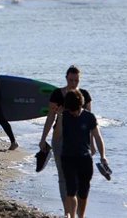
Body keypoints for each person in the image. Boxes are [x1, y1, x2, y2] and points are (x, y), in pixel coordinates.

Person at [39, 65, 93, 216]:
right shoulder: (57, 94)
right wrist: (43, 139)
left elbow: (90, 122)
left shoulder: (85, 96)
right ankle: (68, 212)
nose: (73, 83)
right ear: (66, 78)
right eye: (71, 80)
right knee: (63, 176)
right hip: (60, 138)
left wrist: (92, 144)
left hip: (80, 141)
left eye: (76, 80)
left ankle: (76, 211)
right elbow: (50, 118)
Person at [54, 89, 108, 218]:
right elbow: (56, 137)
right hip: (67, 158)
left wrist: (103, 156)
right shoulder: (64, 116)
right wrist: (60, 118)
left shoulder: (89, 117)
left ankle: (81, 216)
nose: (74, 113)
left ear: (81, 105)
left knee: (83, 193)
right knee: (71, 191)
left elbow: (98, 137)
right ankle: (72, 216)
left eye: (76, 110)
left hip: (85, 159)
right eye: (71, 111)